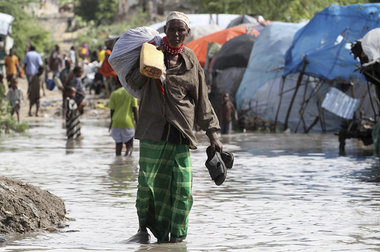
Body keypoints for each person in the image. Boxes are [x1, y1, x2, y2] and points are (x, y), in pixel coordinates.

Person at [125, 11, 222, 243]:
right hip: (152, 131)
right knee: (148, 186)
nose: (177, 34)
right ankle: (143, 230)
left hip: (180, 134)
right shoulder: (151, 53)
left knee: (182, 190)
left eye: (181, 30)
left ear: (187, 33)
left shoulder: (191, 63)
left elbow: (202, 101)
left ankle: (177, 239)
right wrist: (148, 67)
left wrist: (214, 135)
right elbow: (132, 82)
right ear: (165, 31)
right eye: (172, 29)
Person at [109, 78, 138, 156]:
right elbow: (135, 110)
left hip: (116, 122)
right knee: (129, 146)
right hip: (127, 123)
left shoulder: (114, 93)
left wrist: (111, 124)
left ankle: (117, 165)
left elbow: (112, 111)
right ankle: (126, 164)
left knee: (118, 145)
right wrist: (138, 123)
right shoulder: (131, 93)